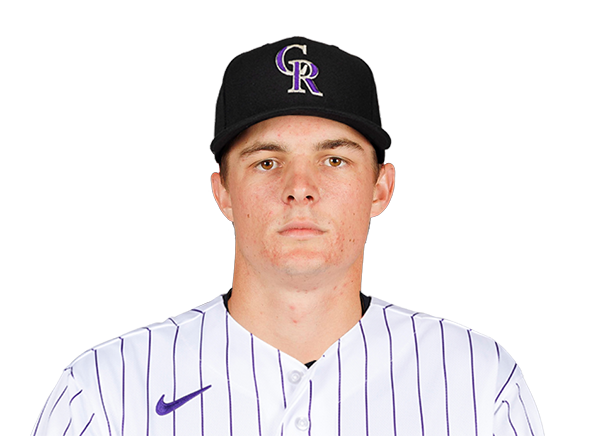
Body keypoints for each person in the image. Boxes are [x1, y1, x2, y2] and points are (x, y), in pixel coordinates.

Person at [33, 36, 544, 436]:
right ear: (223, 191)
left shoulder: (475, 380)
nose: (300, 189)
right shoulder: (107, 388)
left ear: (379, 188)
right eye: (267, 161)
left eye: (334, 159)